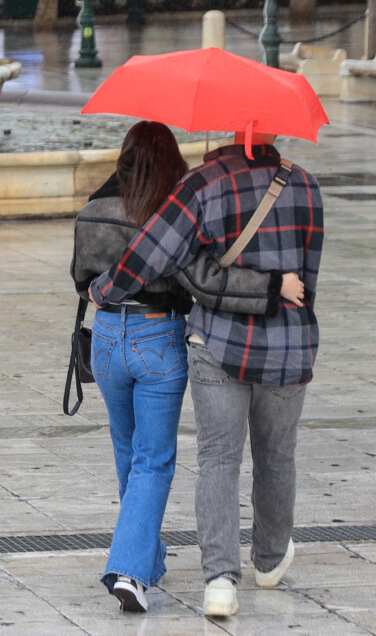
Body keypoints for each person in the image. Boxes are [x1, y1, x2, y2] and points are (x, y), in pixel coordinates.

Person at [72, 121, 305, 614]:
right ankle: (130, 571)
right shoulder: (169, 209)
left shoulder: (94, 206)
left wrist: (101, 290)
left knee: (127, 451)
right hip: (157, 336)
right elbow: (198, 278)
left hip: (108, 338)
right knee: (154, 459)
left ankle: (146, 558)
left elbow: (81, 275)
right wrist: (269, 288)